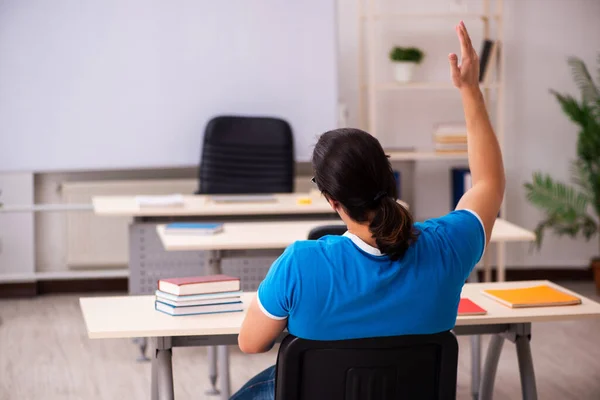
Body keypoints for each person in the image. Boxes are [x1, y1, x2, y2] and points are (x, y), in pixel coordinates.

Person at [230, 21, 505, 400]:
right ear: (389, 178)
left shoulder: (299, 264)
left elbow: (250, 342)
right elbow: (489, 183)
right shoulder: (448, 247)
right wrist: (471, 90)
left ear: (332, 201)